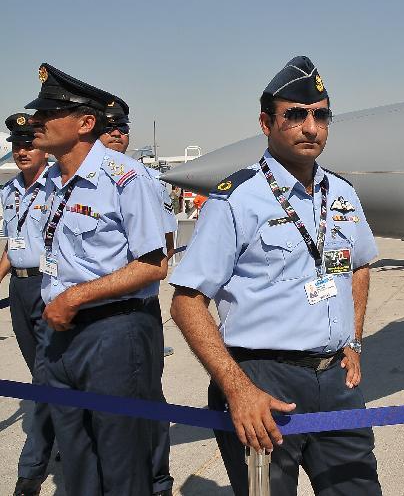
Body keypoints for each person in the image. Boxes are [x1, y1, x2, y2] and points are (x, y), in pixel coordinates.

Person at [170, 56, 382, 495]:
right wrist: (237, 390)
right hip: (263, 382)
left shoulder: (342, 193)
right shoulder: (237, 199)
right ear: (266, 123)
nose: (311, 127)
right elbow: (186, 301)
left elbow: (359, 264)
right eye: (296, 115)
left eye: (321, 115)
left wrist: (354, 341)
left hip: (336, 382)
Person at [26, 63, 169, 496]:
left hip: (114, 333)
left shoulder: (125, 178)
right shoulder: (50, 180)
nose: (36, 121)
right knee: (75, 455)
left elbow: (152, 264)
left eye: (48, 113)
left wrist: (74, 297)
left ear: (85, 123)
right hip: (61, 334)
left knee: (121, 458)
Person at [98, 96, 176, 496]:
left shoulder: (146, 183)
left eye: (122, 127)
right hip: (93, 318)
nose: (116, 133)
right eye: (109, 126)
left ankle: (157, 479)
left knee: (147, 397)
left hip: (134, 309)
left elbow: (162, 252)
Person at [0, 113, 55, 496]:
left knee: (44, 376)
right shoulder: (9, 191)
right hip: (20, 291)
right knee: (43, 372)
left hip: (49, 285)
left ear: (43, 148)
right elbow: (10, 247)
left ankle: (31, 470)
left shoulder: (57, 188)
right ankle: (69, 440)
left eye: (29, 143)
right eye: (17, 145)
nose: (22, 151)